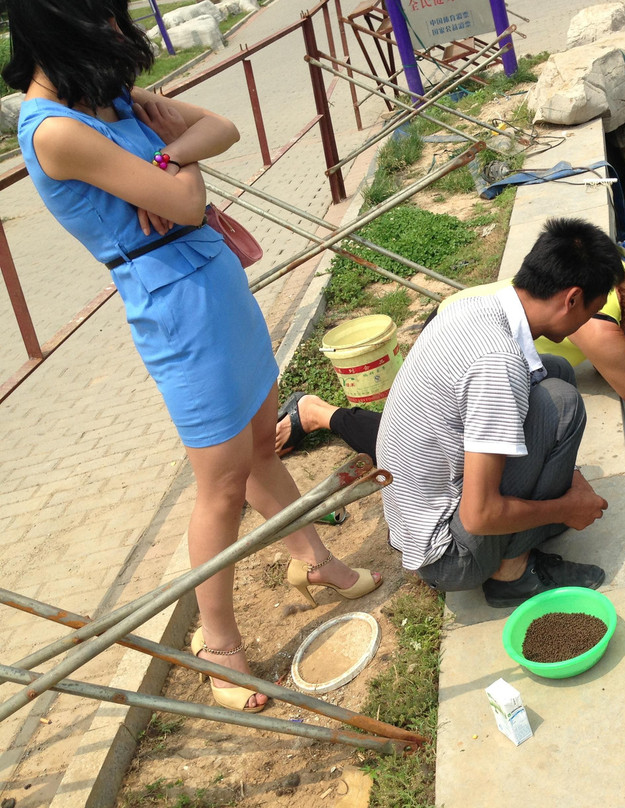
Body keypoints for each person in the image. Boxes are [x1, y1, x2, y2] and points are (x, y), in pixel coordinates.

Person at [4, 0, 381, 714]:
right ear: (59, 29)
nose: (121, 35)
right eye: (105, 22)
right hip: (174, 308)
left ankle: (316, 563)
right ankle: (220, 646)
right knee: (219, 487)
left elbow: (221, 130)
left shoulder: (108, 97)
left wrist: (173, 156)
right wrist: (180, 170)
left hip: (214, 279)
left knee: (262, 449)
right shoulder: (54, 128)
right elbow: (181, 204)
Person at [277, 254, 625, 506]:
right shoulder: (598, 327)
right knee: (419, 443)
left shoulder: (617, 270)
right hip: (466, 337)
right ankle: (319, 412)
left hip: (473, 314)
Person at [376, 217, 625, 607]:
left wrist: (567, 479)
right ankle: (513, 574)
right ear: (572, 299)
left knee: (555, 370)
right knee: (562, 403)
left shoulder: (477, 308)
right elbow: (478, 516)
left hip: (416, 518)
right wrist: (568, 507)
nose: (588, 322)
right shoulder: (497, 362)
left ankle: (527, 531)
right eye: (591, 310)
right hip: (448, 556)